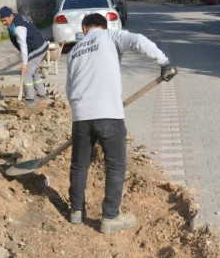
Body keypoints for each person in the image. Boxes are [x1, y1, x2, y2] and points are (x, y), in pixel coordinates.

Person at [66, 13, 176, 234]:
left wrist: (80, 111)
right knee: (115, 165)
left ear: (85, 29)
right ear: (103, 27)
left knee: (79, 165)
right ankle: (109, 217)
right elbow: (138, 41)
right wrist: (164, 62)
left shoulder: (74, 51)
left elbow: (69, 88)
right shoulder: (110, 36)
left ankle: (76, 212)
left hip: (80, 117)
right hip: (109, 115)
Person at [0, 6, 48, 106]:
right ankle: (43, 94)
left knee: (26, 72)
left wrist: (25, 63)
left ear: (11, 16)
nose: (3, 23)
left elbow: (23, 45)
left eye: (5, 20)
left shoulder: (19, 27)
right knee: (33, 71)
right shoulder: (16, 18)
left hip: (36, 48)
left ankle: (30, 100)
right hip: (38, 46)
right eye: (1, 21)